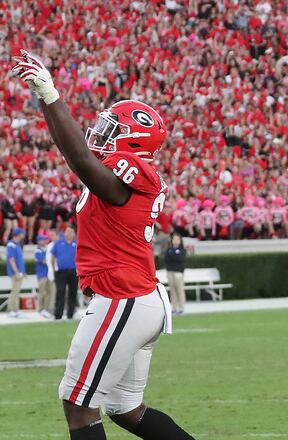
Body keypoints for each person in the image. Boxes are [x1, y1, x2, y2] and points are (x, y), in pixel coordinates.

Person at [12, 50, 193, 440]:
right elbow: (79, 157)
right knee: (125, 409)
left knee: (78, 404)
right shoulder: (132, 172)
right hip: (136, 296)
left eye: (112, 128)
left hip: (122, 295)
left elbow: (78, 158)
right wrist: (48, 100)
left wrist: (50, 93)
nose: (102, 133)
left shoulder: (135, 171)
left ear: (133, 141)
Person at [51, 225, 78, 320]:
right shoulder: (58, 243)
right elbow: (53, 256)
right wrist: (54, 268)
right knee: (60, 292)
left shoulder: (77, 244)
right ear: (64, 233)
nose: (69, 233)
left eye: (71, 232)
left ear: (74, 234)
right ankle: (58, 314)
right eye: (68, 231)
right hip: (61, 272)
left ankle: (70, 313)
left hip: (73, 271)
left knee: (73, 292)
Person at [5, 227, 26, 318]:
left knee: (17, 291)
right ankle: (11, 309)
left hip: (19, 272)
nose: (23, 235)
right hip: (15, 273)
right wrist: (17, 272)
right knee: (15, 291)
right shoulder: (11, 245)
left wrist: (22, 272)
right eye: (22, 233)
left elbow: (19, 260)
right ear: (18, 234)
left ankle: (15, 309)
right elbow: (11, 260)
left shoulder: (17, 244)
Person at [164, 233, 187, 315]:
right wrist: (174, 255)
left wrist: (173, 255)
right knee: (172, 290)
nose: (175, 241)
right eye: (174, 239)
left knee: (179, 289)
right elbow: (167, 258)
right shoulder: (169, 249)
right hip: (170, 271)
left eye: (177, 239)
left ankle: (181, 307)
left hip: (178, 272)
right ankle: (174, 307)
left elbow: (180, 259)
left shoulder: (182, 250)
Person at [35, 232, 55, 319]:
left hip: (48, 274)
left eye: (45, 240)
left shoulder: (47, 249)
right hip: (42, 274)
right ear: (39, 241)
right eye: (43, 240)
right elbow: (43, 260)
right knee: (41, 292)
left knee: (49, 292)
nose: (44, 241)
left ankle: (47, 309)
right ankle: (40, 308)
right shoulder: (38, 250)